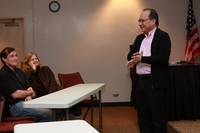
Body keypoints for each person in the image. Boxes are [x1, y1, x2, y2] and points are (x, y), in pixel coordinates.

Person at [126, 8, 171, 133]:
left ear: (153, 21)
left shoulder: (163, 36)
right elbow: (129, 55)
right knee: (143, 118)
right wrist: (134, 57)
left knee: (158, 119)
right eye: (139, 20)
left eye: (143, 20)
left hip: (154, 84)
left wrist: (142, 58)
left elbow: (163, 58)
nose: (140, 23)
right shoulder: (139, 38)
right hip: (140, 83)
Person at [21, 53, 82, 120]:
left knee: (76, 101)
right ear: (28, 62)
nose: (35, 60)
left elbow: (53, 84)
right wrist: (32, 70)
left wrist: (50, 97)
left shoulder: (45, 69)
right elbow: (24, 83)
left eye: (36, 58)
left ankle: (73, 121)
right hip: (39, 99)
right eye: (32, 59)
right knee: (54, 110)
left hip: (52, 94)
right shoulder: (25, 73)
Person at [0, 47, 52, 122]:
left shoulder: (19, 71)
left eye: (16, 55)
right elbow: (15, 94)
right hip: (15, 106)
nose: (15, 58)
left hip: (27, 101)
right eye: (12, 56)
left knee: (55, 109)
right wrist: (29, 92)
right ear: (4, 59)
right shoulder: (3, 74)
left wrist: (28, 95)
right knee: (48, 113)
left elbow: (30, 89)